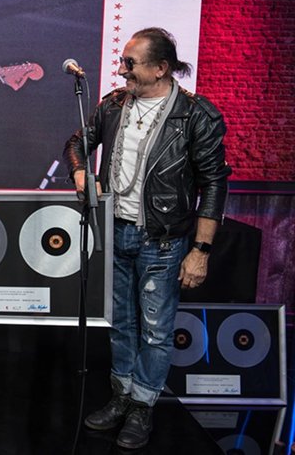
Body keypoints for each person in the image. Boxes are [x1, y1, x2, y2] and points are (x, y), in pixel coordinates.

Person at [63, 27, 231, 449]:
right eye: (123, 61)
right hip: (115, 232)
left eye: (130, 63)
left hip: (164, 241)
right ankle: (122, 396)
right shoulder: (114, 105)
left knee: (155, 331)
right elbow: (77, 142)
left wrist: (201, 250)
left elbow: (214, 184)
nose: (123, 71)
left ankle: (143, 406)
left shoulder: (195, 115)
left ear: (160, 68)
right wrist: (80, 172)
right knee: (121, 323)